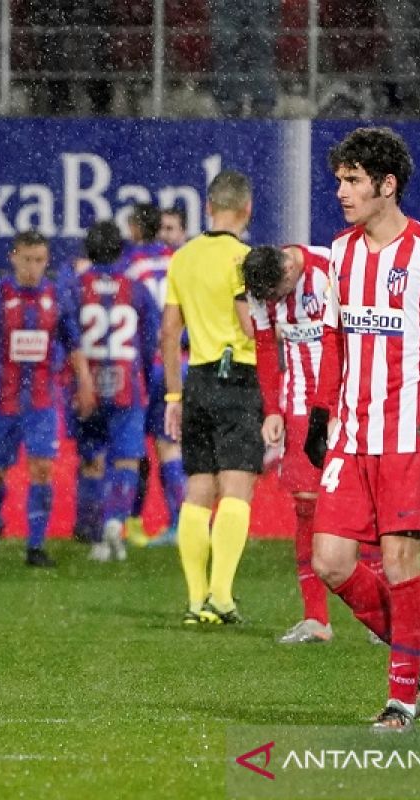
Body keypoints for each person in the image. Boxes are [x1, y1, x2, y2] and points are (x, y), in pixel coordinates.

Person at [304, 127, 420, 730]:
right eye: (340, 180)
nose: (342, 192)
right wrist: (322, 412)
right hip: (353, 433)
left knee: (402, 565)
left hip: (411, 434)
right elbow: (332, 336)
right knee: (330, 560)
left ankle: (402, 699)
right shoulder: (341, 253)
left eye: (352, 181)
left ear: (387, 185)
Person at [246, 243, 389, 645]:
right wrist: (271, 409)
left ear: (290, 269)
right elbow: (263, 347)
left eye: (279, 293)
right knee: (306, 509)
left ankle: (381, 615)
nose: (275, 303)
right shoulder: (261, 290)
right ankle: (316, 620)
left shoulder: (330, 268)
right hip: (297, 410)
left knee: (365, 507)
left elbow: (358, 336)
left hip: (345, 406)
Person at [0, 230, 96, 568]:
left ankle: (36, 545)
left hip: (42, 400)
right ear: (13, 257)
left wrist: (85, 383)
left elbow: (74, 345)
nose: (33, 267)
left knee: (42, 468)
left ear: (47, 261)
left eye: (40, 260)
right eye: (27, 259)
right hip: (1, 401)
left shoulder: (57, 295)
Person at [162, 170, 261, 625]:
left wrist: (172, 395)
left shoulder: (182, 258)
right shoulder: (245, 259)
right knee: (237, 485)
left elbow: (168, 332)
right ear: (247, 210)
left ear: (207, 208)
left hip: (197, 378)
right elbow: (247, 325)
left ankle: (194, 599)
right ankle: (221, 595)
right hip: (238, 376)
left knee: (198, 487)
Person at [71, 220, 159, 561]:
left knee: (91, 459)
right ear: (121, 252)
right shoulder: (135, 289)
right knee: (126, 459)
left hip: (87, 383)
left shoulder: (76, 287)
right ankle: (114, 524)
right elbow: (150, 339)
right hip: (127, 384)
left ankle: (94, 538)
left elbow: (66, 333)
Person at [122, 203, 184, 548]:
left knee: (158, 444)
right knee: (174, 442)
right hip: (188, 356)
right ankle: (184, 520)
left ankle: (173, 523)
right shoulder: (178, 259)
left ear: (134, 228)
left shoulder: (130, 268)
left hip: (153, 360)